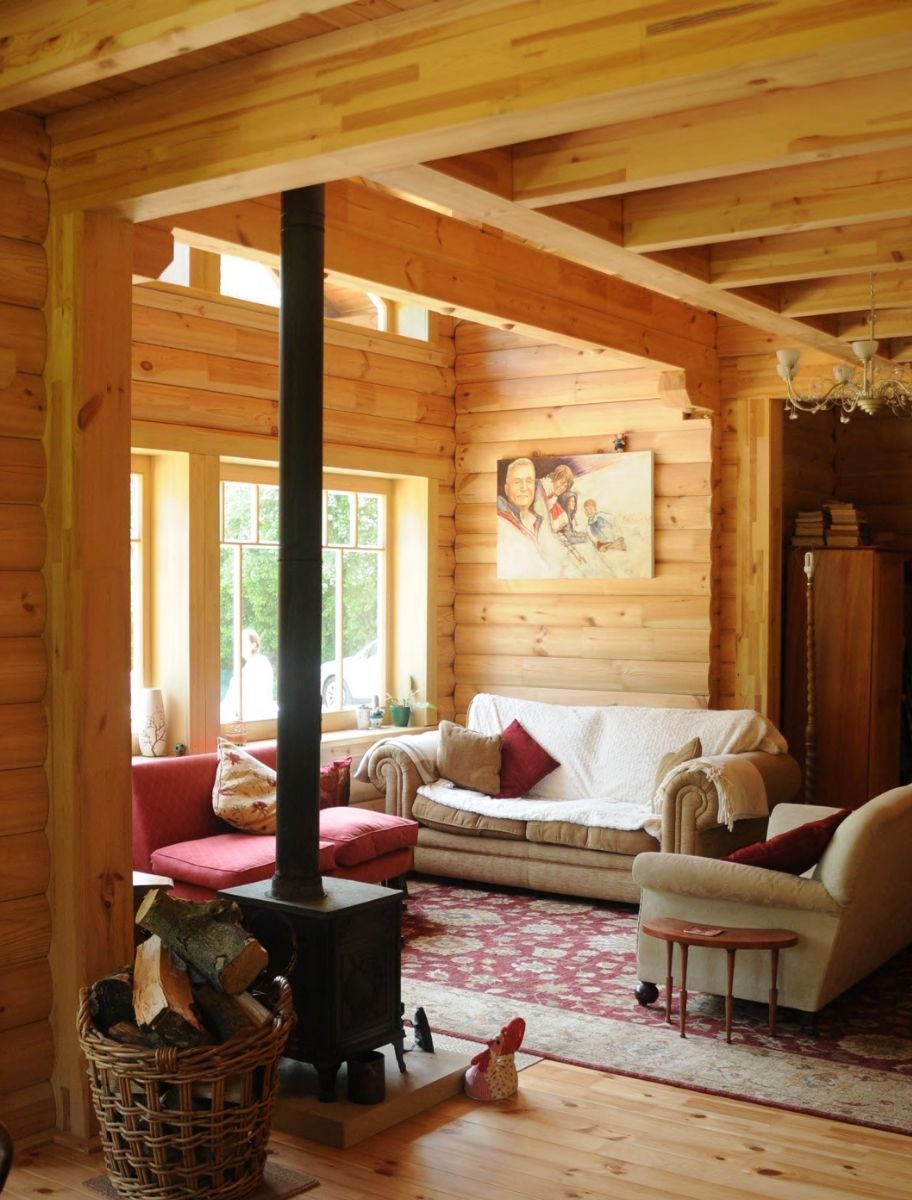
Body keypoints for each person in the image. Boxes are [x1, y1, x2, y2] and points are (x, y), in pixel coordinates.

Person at [220, 627, 276, 722]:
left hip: (254, 719)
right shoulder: (253, 664)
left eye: (243, 642)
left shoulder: (259, 664)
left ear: (253, 645)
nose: (239, 646)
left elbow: (250, 696)